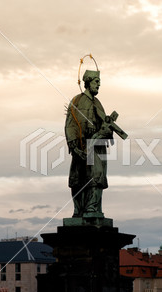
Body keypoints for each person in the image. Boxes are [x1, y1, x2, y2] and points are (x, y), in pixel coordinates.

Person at [64, 70, 113, 218]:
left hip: (97, 147)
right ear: (88, 81)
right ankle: (79, 210)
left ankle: (93, 209)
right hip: (82, 147)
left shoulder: (98, 104)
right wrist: (74, 147)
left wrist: (106, 131)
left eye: (99, 82)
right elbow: (70, 125)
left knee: (96, 177)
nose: (99, 85)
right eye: (96, 81)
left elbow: (106, 128)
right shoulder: (77, 101)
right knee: (78, 178)